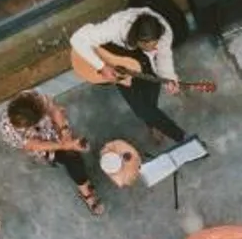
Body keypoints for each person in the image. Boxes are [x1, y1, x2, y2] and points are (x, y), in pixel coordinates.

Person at [69, 8, 189, 146]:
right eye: (151, 46)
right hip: (117, 56)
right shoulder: (116, 27)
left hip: (139, 60)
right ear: (139, 41)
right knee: (141, 109)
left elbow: (164, 57)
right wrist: (101, 66)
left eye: (156, 44)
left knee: (151, 94)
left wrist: (169, 77)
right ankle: (180, 136)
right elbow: (77, 39)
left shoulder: (164, 34)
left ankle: (153, 122)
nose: (155, 48)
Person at [0, 91, 104, 215]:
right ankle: (86, 191)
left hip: (53, 129)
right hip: (43, 145)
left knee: (72, 155)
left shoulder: (31, 98)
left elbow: (54, 110)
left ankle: (84, 185)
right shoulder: (9, 130)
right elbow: (35, 145)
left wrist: (65, 132)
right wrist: (64, 146)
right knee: (71, 158)